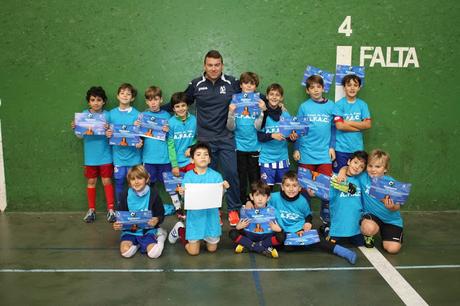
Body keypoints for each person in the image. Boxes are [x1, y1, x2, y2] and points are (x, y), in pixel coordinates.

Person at [180, 50, 241, 226]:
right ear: (204, 66)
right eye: (210, 65)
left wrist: (269, 104)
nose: (213, 68)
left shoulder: (232, 83)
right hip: (205, 141)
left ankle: (233, 210)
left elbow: (249, 95)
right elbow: (181, 101)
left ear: (222, 65)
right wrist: (157, 111)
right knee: (207, 178)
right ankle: (213, 211)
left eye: (217, 65)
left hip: (226, 138)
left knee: (231, 173)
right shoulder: (196, 84)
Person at [269, 171, 357, 264]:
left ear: (299, 188)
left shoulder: (302, 201)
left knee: (318, 240)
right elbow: (261, 201)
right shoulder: (273, 198)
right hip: (280, 230)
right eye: (287, 185)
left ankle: (344, 252)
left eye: (294, 186)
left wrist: (308, 223)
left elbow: (308, 215)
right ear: (282, 187)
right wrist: (251, 202)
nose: (291, 189)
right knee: (276, 240)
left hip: (298, 231)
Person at [168, 142, 229, 256]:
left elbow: (218, 198)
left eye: (206, 154)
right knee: (193, 252)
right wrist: (182, 193)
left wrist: (224, 188)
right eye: (198, 154)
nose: (202, 157)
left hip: (211, 217)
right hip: (195, 217)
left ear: (210, 159)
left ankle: (206, 237)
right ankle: (180, 230)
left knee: (212, 249)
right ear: (192, 160)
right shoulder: (188, 176)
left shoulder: (216, 176)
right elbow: (186, 199)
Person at [338, 149, 404, 254]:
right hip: (372, 217)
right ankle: (369, 235)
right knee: (368, 228)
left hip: (390, 220)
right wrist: (342, 172)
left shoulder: (391, 183)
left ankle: (385, 233)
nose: (373, 170)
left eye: (378, 167)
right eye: (370, 166)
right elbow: (349, 168)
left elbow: (397, 207)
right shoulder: (363, 177)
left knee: (392, 249)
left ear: (385, 169)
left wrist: (391, 207)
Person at [293, 75, 338, 227]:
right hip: (306, 153)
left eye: (318, 87)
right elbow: (299, 128)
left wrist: (332, 146)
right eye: (312, 87)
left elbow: (333, 127)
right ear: (307, 90)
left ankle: (326, 214)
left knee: (326, 187)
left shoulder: (331, 106)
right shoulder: (304, 107)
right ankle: (306, 215)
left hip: (324, 154)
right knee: (305, 188)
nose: (316, 90)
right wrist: (297, 148)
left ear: (323, 88)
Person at [72, 86, 115, 223]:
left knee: (107, 181)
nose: (96, 102)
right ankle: (91, 210)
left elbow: (113, 135)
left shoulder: (108, 115)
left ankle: (111, 210)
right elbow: (79, 135)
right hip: (90, 158)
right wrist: (76, 128)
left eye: (99, 100)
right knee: (91, 182)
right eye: (92, 100)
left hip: (105, 156)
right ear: (88, 102)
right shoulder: (83, 115)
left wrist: (110, 131)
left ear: (104, 101)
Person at [139, 86, 181, 211]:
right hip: (149, 158)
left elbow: (171, 137)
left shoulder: (167, 116)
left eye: (156, 99)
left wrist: (167, 131)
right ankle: (148, 209)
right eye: (150, 100)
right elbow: (138, 137)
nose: (153, 102)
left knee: (170, 185)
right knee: (148, 185)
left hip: (164, 159)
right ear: (147, 101)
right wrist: (137, 127)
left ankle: (178, 209)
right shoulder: (143, 116)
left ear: (161, 100)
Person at [227, 72, 266, 203]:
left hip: (255, 147)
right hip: (239, 148)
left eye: (252, 83)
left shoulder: (259, 101)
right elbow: (230, 127)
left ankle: (257, 205)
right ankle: (243, 204)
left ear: (256, 86)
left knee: (255, 178)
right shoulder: (235, 101)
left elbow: (259, 127)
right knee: (241, 178)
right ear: (241, 85)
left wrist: (261, 112)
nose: (249, 86)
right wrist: (231, 113)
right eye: (246, 83)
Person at [112, 165, 167, 258]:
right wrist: (116, 224)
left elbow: (161, 214)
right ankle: (137, 243)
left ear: (146, 179)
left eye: (139, 178)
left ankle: (161, 236)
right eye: (133, 179)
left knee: (154, 254)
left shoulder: (153, 194)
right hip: (130, 231)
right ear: (129, 181)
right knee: (126, 253)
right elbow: (119, 215)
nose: (136, 182)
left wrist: (157, 219)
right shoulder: (124, 194)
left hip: (148, 231)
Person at [256, 83, 297, 189]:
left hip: (282, 159)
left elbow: (288, 136)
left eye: (277, 95)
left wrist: (292, 138)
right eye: (271, 94)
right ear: (267, 96)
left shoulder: (285, 114)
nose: (274, 97)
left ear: (281, 98)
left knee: (284, 190)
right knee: (266, 190)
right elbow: (259, 136)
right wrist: (272, 135)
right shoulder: (263, 114)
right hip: (266, 160)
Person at [229, 180, 285, 258]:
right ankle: (263, 249)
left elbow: (281, 228)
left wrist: (279, 229)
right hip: (250, 236)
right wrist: (238, 227)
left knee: (282, 236)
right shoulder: (245, 209)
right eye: (257, 195)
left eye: (263, 196)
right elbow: (239, 226)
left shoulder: (273, 211)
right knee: (232, 233)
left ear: (268, 198)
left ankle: (249, 246)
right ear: (251, 196)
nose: (260, 199)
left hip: (267, 237)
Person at [106, 83, 143, 203]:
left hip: (134, 157)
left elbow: (142, 135)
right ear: (117, 96)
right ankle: (121, 210)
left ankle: (136, 210)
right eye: (122, 93)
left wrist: (140, 141)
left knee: (136, 183)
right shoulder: (110, 114)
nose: (125, 96)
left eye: (128, 94)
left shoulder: (138, 115)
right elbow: (106, 131)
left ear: (132, 98)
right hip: (118, 157)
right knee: (119, 182)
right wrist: (108, 134)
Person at [327, 151, 368, 246]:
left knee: (361, 243)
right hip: (338, 229)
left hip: (355, 229)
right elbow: (327, 195)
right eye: (356, 162)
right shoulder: (336, 179)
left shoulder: (361, 180)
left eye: (361, 167)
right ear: (349, 161)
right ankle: (326, 229)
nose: (357, 167)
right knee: (331, 245)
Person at [334, 75, 372, 173]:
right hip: (341, 149)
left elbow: (368, 125)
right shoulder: (338, 105)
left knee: (354, 178)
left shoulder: (363, 105)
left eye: (355, 85)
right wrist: (360, 126)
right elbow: (340, 126)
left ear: (359, 88)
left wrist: (348, 121)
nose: (352, 88)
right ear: (344, 87)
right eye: (349, 85)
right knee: (340, 178)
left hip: (357, 150)